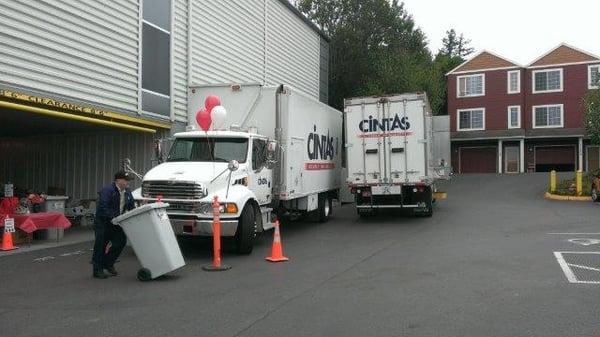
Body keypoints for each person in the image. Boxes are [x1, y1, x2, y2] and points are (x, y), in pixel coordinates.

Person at [92, 171, 135, 279]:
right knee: (101, 245)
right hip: (104, 222)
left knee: (120, 242)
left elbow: (131, 206)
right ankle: (97, 269)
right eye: (126, 180)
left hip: (117, 222)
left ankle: (108, 263)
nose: (128, 182)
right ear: (118, 180)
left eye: (128, 180)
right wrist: (112, 217)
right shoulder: (108, 191)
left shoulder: (127, 192)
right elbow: (103, 206)